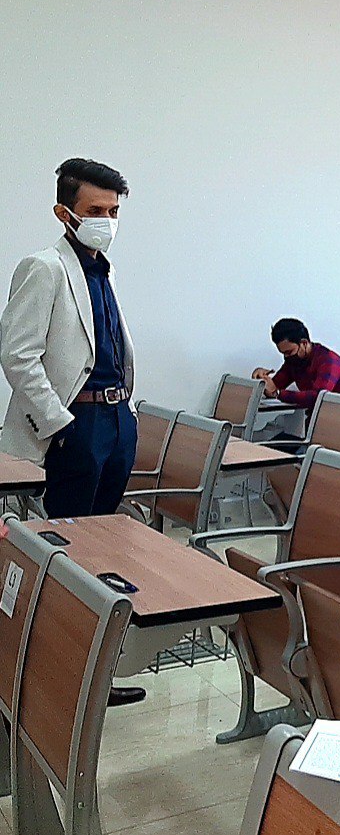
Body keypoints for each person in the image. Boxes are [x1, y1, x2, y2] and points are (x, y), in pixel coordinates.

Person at [0, 158, 145, 707]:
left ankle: (90, 675)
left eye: (113, 211)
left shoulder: (102, 270)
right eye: (95, 210)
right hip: (75, 424)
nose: (106, 221)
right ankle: (57, 677)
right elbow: (18, 354)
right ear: (64, 213)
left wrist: (125, 415)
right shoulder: (44, 267)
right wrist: (59, 425)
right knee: (68, 557)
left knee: (101, 546)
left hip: (116, 419)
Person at [251, 318, 340, 411]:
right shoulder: (295, 360)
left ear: (304, 343)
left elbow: (317, 397)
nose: (286, 357)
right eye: (283, 353)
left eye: (289, 352)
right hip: (320, 416)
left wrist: (277, 393)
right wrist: (262, 380)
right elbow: (275, 385)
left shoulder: (328, 361)